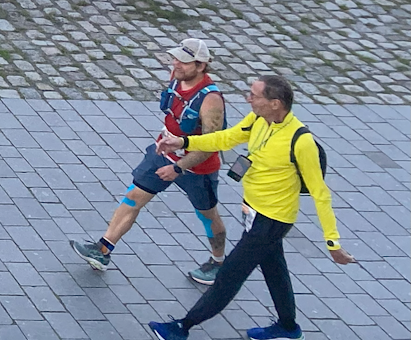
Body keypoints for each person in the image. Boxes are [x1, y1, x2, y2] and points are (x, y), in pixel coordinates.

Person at [145, 73, 356, 340]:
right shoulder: (258, 120)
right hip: (253, 212)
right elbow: (225, 138)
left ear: (276, 103)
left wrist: (332, 243)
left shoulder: (300, 140)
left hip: (272, 220)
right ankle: (288, 328)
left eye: (255, 95)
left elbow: (321, 194)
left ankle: (182, 327)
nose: (248, 99)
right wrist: (185, 142)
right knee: (274, 269)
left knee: (230, 275)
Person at [71, 39, 229, 283]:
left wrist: (178, 168)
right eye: (175, 58)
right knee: (133, 197)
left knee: (208, 215)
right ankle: (103, 250)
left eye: (183, 61)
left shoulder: (210, 99)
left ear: (201, 66)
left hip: (197, 170)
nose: (176, 64)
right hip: (162, 154)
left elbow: (211, 145)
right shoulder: (176, 77)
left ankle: (218, 262)